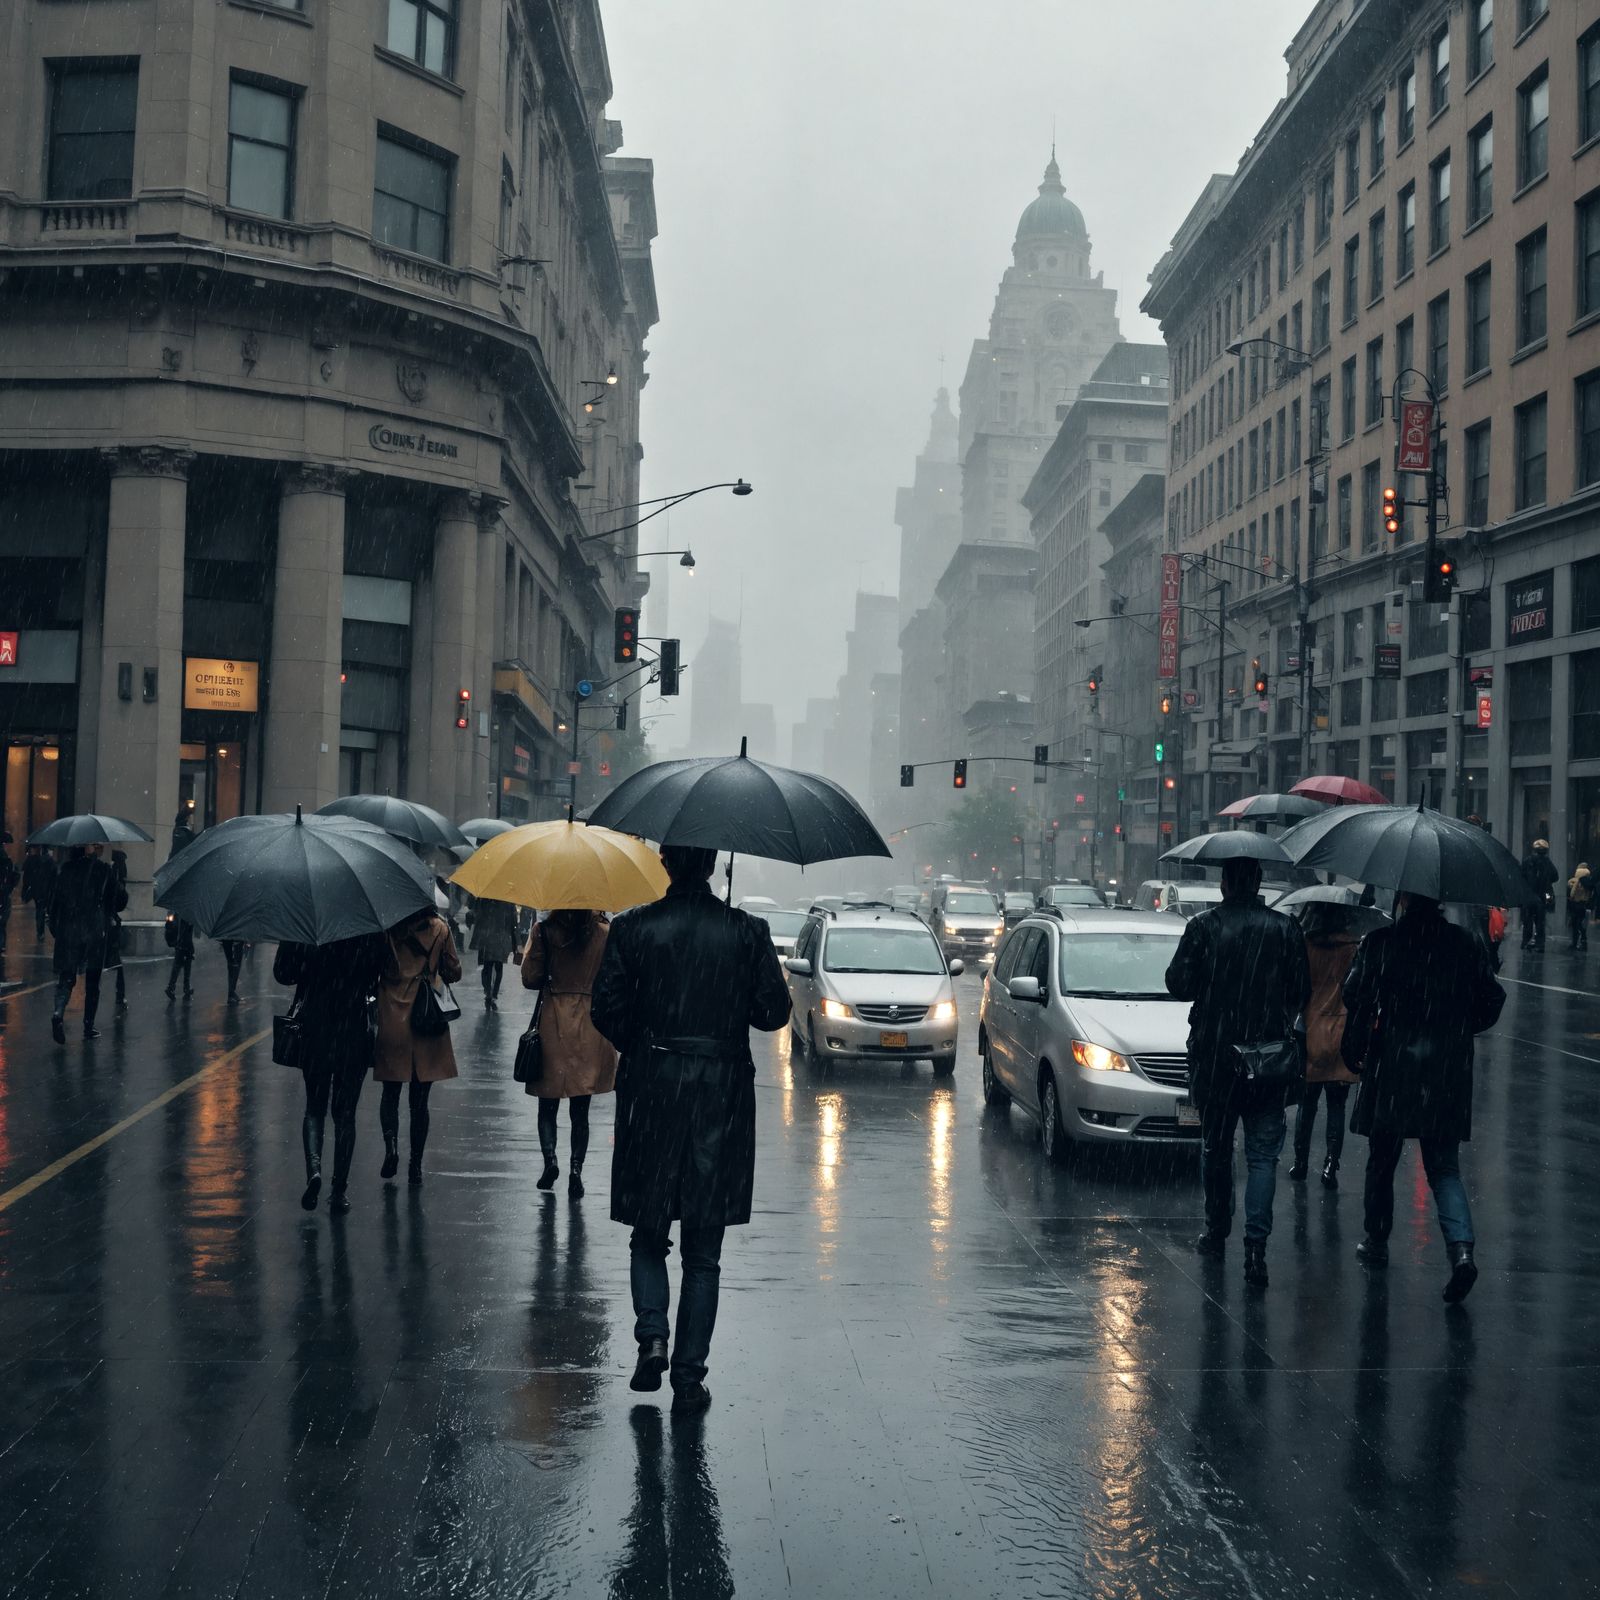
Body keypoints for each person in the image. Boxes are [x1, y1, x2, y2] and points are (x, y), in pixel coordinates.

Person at [590, 845, 790, 1414]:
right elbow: (772, 1014)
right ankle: (688, 1378)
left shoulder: (633, 928)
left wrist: (650, 1048)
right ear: (712, 865)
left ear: (664, 863)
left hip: (654, 1090)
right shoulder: (746, 931)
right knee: (704, 1249)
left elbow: (604, 1007)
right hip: (719, 1095)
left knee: (648, 1230)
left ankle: (652, 1333)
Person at [1342, 891, 1506, 1302]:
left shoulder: (1382, 942)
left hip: (1393, 1066)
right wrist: (1458, 1029)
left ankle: (1377, 1241)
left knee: (1383, 1158)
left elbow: (1355, 995)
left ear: (1403, 900)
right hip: (1445, 1071)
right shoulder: (1464, 943)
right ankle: (1462, 1250)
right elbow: (1491, 999)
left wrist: (1357, 1044)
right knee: (1444, 1168)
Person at [1164, 855, 1311, 1288]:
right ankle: (1255, 1247)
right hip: (1266, 1059)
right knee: (1263, 1157)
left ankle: (1216, 1230)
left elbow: (1178, 984)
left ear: (1225, 883)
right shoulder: (1285, 929)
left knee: (1216, 1147)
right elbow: (1301, 991)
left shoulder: (1203, 927)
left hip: (1215, 1058)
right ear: (1259, 882)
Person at [273, 934, 386, 1213]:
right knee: (345, 1114)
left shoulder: (306, 925)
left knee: (314, 1107)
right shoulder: (366, 929)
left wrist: (305, 961)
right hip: (353, 1030)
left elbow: (283, 973)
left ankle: (314, 1170)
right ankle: (339, 1191)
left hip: (316, 1027)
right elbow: (377, 978)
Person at [520, 908, 617, 1197]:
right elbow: (612, 978)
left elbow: (530, 978)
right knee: (581, 1108)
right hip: (589, 1023)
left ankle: (550, 1160)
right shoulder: (604, 933)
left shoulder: (545, 931)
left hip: (553, 1020)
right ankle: (576, 1168)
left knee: (547, 1103)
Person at [373, 905, 462, 1187]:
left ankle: (391, 1148)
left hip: (392, 1015)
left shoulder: (386, 927)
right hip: (426, 1016)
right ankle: (415, 1165)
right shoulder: (440, 928)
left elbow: (376, 967)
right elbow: (453, 972)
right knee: (419, 1102)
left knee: (390, 1092)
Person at [1287, 901, 1363, 1189]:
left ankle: (1301, 1161)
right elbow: (1356, 990)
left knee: (1307, 1102)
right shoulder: (1352, 949)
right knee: (1336, 1105)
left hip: (1310, 1031)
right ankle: (1331, 1164)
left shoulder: (1306, 947)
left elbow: (1299, 988)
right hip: (1340, 1033)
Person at [47, 844, 122, 1043]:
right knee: (92, 982)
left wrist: (57, 928)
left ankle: (58, 1013)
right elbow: (119, 900)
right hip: (94, 930)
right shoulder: (103, 870)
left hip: (69, 929)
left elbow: (54, 903)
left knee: (66, 977)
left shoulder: (65, 871)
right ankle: (88, 1026)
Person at [468, 895, 518, 1011]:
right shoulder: (508, 898)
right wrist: (516, 943)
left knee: (487, 966)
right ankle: (493, 994)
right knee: (498, 967)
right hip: (501, 937)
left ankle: (488, 993)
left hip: (487, 936)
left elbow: (476, 916)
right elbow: (513, 922)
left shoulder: (484, 897)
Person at [1519, 838, 1558, 950]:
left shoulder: (1527, 861)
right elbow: (1556, 877)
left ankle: (1526, 942)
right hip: (1542, 897)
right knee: (1540, 922)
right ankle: (1540, 945)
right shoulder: (1548, 862)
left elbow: (1521, 876)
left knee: (1528, 920)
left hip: (1529, 896)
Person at [106, 849, 129, 1010]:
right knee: (116, 963)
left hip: (98, 925)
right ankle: (120, 996)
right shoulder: (113, 877)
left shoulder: (105, 873)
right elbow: (121, 901)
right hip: (109, 923)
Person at [22, 844, 57, 941]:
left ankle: (40, 931)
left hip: (38, 891)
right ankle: (43, 929)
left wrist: (26, 891)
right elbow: (54, 878)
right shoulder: (50, 862)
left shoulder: (33, 860)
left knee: (40, 910)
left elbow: (27, 877)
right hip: (47, 890)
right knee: (45, 910)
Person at [1567, 863, 1592, 951]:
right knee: (1581, 924)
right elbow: (1589, 894)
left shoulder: (1575, 881)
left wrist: (1571, 896)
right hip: (1583, 904)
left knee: (1575, 924)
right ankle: (1583, 942)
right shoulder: (1588, 882)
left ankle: (1574, 943)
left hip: (1575, 903)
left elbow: (1572, 892)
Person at [0, 834, 16, 954]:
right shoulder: (7, 861)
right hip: (4, 894)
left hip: (4, 893)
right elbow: (12, 877)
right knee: (2, 922)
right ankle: (2, 944)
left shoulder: (6, 861)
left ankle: (2, 943)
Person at [221, 939, 248, 1004]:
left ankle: (231, 992)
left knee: (232, 963)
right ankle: (231, 994)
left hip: (227, 937)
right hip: (237, 937)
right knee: (235, 964)